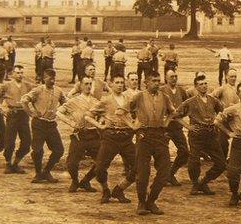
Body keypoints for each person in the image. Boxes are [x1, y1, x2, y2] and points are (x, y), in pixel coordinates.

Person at [129, 71, 175, 215]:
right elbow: (122, 111)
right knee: (143, 172)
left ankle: (152, 200)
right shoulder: (138, 96)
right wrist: (133, 126)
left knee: (165, 170)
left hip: (160, 135)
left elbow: (172, 112)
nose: (157, 83)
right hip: (144, 136)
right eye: (153, 81)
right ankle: (141, 202)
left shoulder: (165, 97)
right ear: (146, 82)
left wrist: (166, 124)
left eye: (158, 80)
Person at [87, 75, 137, 204]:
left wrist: (133, 126)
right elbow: (88, 116)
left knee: (138, 167)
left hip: (126, 137)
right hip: (110, 138)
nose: (120, 85)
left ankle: (119, 190)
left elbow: (137, 114)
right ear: (112, 84)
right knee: (99, 168)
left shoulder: (130, 99)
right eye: (117, 82)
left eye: (121, 83)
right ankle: (105, 190)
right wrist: (101, 126)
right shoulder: (106, 100)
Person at [174, 74, 226, 196]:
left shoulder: (213, 100)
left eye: (205, 84)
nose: (204, 86)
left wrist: (217, 121)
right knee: (194, 162)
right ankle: (195, 184)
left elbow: (223, 112)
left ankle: (204, 182)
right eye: (201, 84)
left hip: (212, 133)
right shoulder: (190, 102)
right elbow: (176, 116)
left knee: (221, 163)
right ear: (196, 87)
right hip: (197, 134)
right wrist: (188, 127)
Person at [21, 68, 66, 183]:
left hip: (51, 125)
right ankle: (38, 174)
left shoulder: (59, 91)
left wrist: (60, 111)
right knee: (37, 150)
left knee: (59, 150)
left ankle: (46, 172)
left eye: (54, 77)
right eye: (49, 77)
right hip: (39, 124)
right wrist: (31, 113)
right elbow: (24, 100)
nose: (52, 80)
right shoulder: (38, 90)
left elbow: (66, 103)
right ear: (43, 78)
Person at [56, 77, 100, 193]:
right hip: (79, 135)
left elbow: (103, 117)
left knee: (102, 162)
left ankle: (86, 181)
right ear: (80, 85)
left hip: (94, 134)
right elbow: (59, 112)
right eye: (86, 84)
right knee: (71, 163)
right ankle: (75, 181)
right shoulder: (74, 101)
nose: (88, 86)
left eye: (90, 84)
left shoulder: (96, 102)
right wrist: (71, 123)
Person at [0, 65, 34, 173]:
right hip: (12, 115)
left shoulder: (28, 86)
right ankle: (8, 164)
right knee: (10, 141)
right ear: (12, 74)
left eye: (21, 73)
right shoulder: (6, 86)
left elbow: (35, 98)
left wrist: (34, 111)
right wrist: (2, 109)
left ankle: (16, 163)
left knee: (27, 141)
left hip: (24, 115)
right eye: (18, 73)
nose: (20, 75)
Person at [160, 70, 189, 186]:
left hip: (177, 127)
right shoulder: (161, 90)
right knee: (163, 153)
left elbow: (187, 105)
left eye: (176, 76)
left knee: (185, 152)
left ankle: (171, 174)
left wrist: (181, 116)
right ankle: (163, 177)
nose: (174, 78)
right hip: (165, 127)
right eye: (171, 76)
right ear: (166, 78)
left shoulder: (181, 90)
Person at [211, 68, 240, 158]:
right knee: (222, 141)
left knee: (238, 140)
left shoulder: (238, 89)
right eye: (231, 76)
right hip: (225, 119)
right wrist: (219, 108)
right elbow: (211, 98)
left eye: (235, 76)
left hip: (236, 120)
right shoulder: (222, 88)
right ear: (227, 77)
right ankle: (221, 160)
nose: (233, 79)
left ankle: (233, 159)